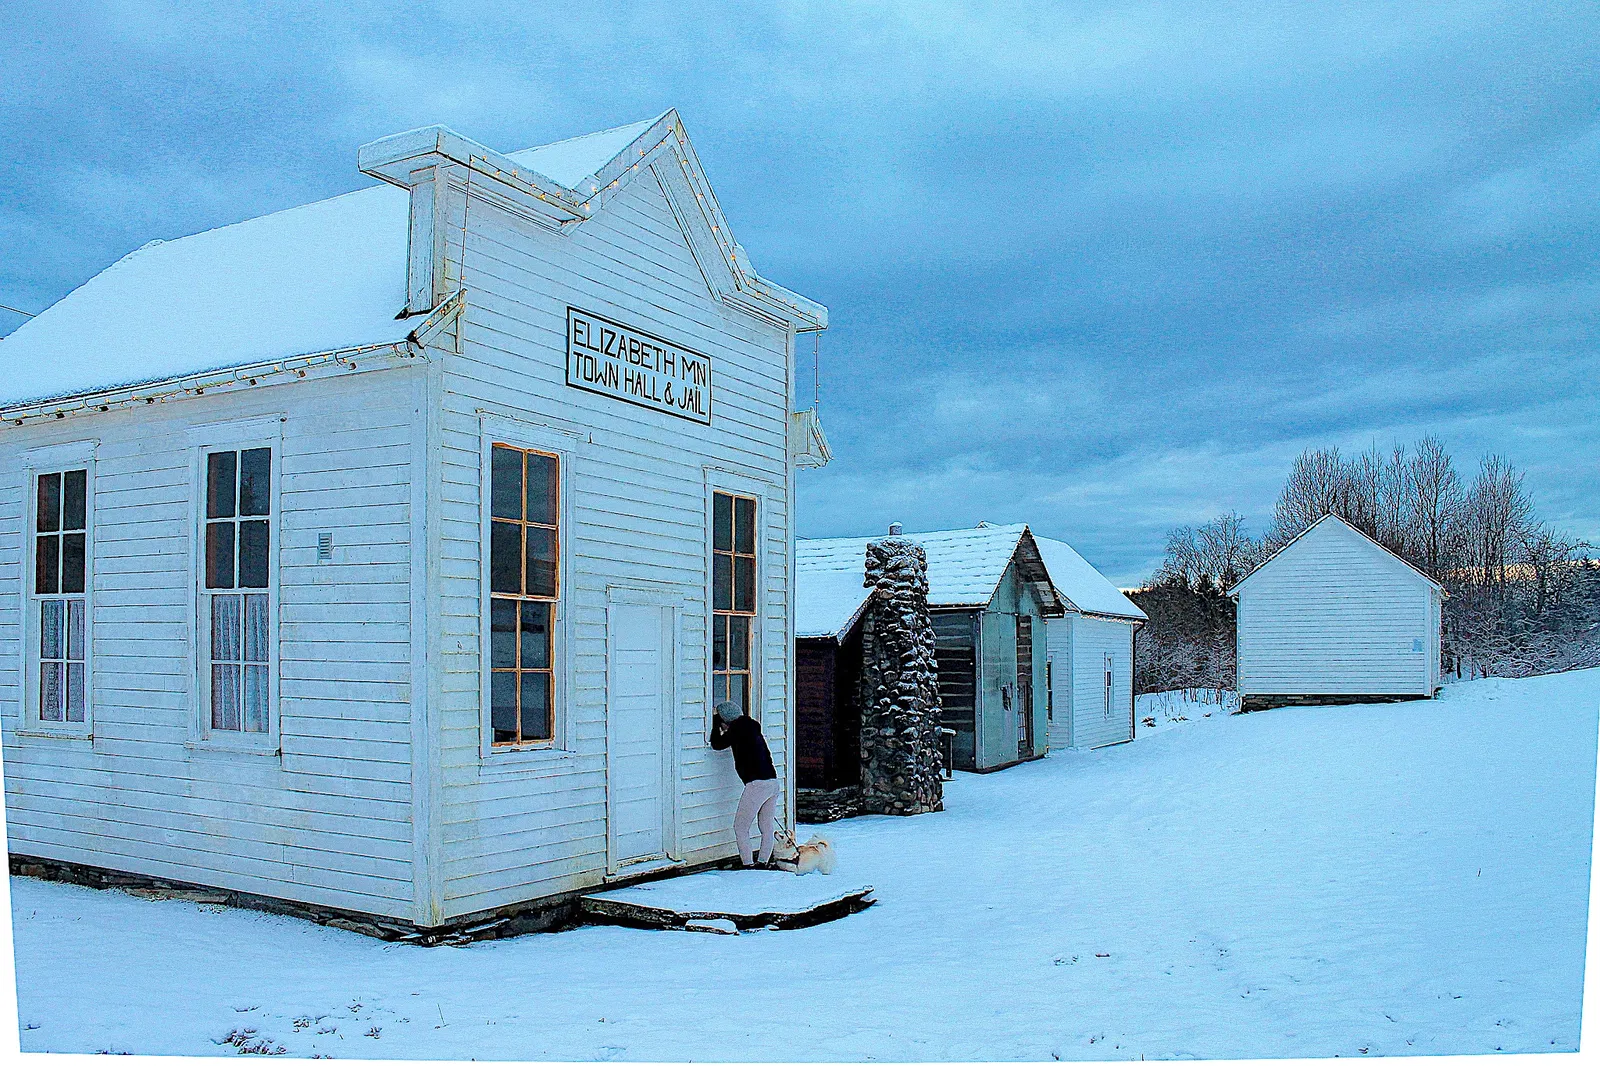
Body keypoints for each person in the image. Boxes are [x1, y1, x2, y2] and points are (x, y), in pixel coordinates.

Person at [710, 701, 780, 868]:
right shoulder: (752, 727)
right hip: (772, 781)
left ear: (725, 719)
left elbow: (717, 744)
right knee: (766, 826)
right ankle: (762, 861)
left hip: (757, 784)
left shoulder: (736, 729)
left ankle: (747, 864)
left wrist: (714, 726)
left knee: (740, 827)